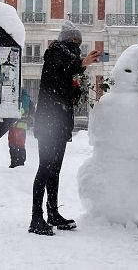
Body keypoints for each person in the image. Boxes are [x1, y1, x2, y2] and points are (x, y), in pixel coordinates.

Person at [29, 20, 100, 236]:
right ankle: (36, 217)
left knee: (55, 170)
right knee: (45, 167)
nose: (76, 44)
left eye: (79, 41)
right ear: (66, 40)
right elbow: (61, 70)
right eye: (73, 40)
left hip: (59, 122)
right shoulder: (55, 52)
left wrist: (75, 87)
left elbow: (66, 90)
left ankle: (52, 212)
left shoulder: (68, 59)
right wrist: (81, 64)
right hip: (49, 121)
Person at [9, 89, 33, 168]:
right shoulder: (18, 96)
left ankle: (19, 163)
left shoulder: (24, 97)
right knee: (12, 144)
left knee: (18, 145)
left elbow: (22, 111)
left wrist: (12, 113)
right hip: (14, 125)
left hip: (20, 126)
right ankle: (14, 162)